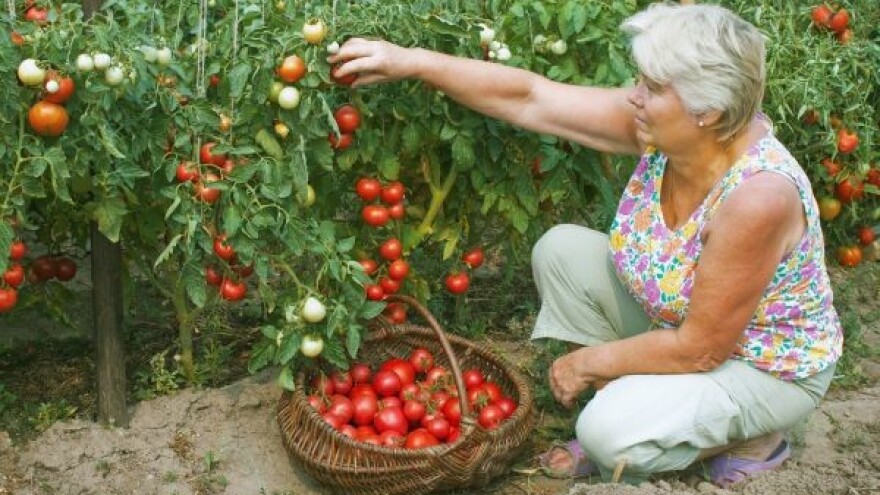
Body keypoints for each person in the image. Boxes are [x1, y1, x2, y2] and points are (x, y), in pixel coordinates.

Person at [328, 3, 843, 487]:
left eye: (652, 87)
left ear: (707, 110)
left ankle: (751, 437)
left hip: (761, 367)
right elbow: (531, 98)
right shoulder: (670, 131)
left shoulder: (758, 198)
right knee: (562, 252)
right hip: (684, 328)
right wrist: (414, 61)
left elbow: (701, 348)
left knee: (606, 435)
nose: (634, 95)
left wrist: (588, 363)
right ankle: (639, 407)